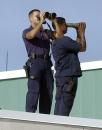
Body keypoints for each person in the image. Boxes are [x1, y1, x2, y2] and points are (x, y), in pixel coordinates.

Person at [51, 17, 86, 116]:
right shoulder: (64, 40)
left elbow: (76, 46)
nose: (66, 26)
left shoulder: (55, 42)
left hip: (61, 78)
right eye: (65, 24)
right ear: (60, 26)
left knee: (59, 106)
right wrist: (82, 32)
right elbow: (82, 47)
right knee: (65, 108)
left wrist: (77, 32)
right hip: (69, 78)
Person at [22, 9, 54, 114]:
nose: (40, 17)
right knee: (34, 91)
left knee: (48, 93)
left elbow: (58, 35)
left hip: (47, 63)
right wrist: (41, 21)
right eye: (37, 16)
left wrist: (53, 20)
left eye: (40, 15)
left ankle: (45, 119)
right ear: (30, 19)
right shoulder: (26, 31)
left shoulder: (46, 33)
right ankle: (30, 116)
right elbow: (31, 36)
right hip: (35, 63)